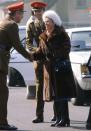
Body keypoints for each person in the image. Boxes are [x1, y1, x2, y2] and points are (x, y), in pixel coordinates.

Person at [31, 10, 76, 127]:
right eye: (45, 22)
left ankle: (65, 119)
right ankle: (59, 118)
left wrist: (54, 55)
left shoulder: (62, 34)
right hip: (50, 69)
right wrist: (33, 55)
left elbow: (66, 49)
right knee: (55, 95)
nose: (46, 24)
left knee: (62, 95)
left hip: (61, 69)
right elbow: (41, 51)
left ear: (54, 22)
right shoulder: (43, 36)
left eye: (48, 22)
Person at [0, 2, 32, 130]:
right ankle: (2, 123)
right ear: (16, 14)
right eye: (21, 14)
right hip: (0, 62)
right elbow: (18, 45)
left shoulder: (3, 22)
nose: (22, 17)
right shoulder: (12, 25)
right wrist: (31, 57)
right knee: (3, 93)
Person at [26, 1, 56, 123]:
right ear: (33, 12)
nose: (37, 13)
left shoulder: (50, 21)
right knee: (39, 88)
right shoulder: (31, 24)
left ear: (44, 11)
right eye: (35, 11)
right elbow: (28, 43)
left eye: (39, 11)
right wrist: (37, 50)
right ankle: (39, 115)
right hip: (39, 59)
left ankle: (57, 114)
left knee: (54, 86)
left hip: (51, 58)